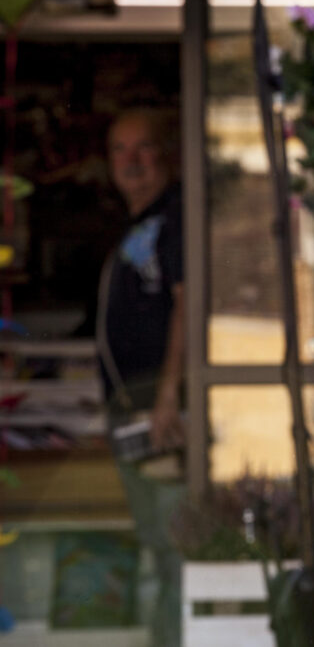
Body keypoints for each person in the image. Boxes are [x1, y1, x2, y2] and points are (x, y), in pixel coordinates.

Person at [97, 108, 185, 647]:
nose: (131, 161)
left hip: (162, 418)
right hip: (138, 416)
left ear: (167, 152)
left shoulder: (174, 219)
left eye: (143, 147)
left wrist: (169, 395)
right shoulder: (139, 223)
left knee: (174, 544)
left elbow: (187, 304)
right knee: (157, 542)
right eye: (119, 149)